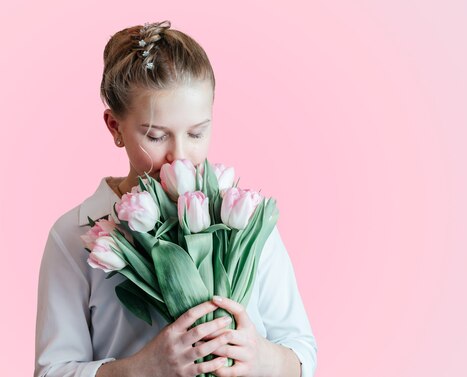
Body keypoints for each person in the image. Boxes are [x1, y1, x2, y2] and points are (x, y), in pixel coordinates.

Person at [34, 20, 317, 377]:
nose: (180, 156)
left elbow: (302, 351)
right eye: (155, 136)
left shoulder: (243, 217)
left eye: (197, 132)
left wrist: (262, 358)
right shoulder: (74, 236)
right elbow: (51, 372)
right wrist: (142, 369)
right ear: (114, 127)